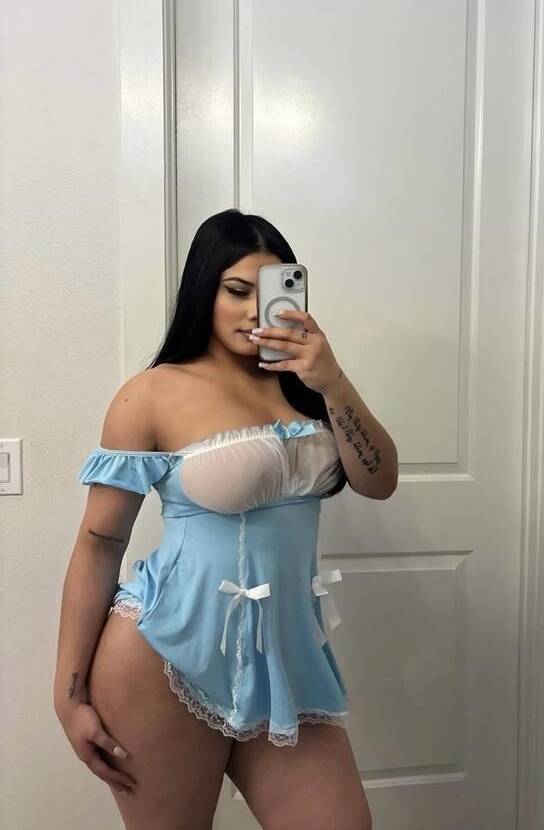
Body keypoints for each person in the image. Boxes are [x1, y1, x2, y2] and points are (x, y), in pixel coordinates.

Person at [53, 209, 398, 829]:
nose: (253, 310)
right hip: (163, 652)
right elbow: (100, 542)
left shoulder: (306, 386)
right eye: (236, 290)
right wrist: (68, 692)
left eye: (267, 290)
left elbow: (379, 482)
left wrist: (333, 382)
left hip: (285, 658)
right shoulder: (151, 394)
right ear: (202, 290)